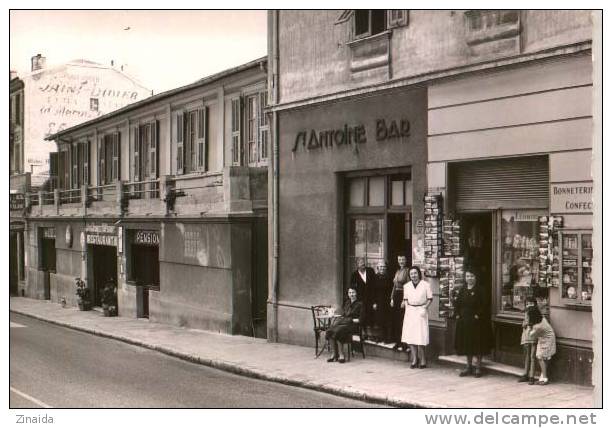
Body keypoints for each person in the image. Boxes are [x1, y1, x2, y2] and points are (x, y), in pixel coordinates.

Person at [454, 269, 493, 377]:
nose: (469, 278)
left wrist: (478, 315)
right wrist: (457, 314)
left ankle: (478, 367)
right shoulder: (463, 289)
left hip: (477, 322)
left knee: (477, 344)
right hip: (464, 321)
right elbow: (457, 303)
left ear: (476, 277)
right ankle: (468, 366)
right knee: (467, 344)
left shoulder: (481, 290)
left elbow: (485, 304)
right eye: (467, 276)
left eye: (471, 276)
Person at [401, 266, 433, 368]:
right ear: (409, 276)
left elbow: (430, 299)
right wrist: (407, 308)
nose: (413, 275)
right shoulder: (406, 286)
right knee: (411, 336)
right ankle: (415, 359)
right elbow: (405, 299)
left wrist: (425, 308)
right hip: (410, 311)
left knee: (421, 335)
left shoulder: (425, 285)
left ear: (419, 274)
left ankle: (423, 359)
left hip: (421, 311)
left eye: (415, 273)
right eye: (411, 274)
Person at [325, 286, 365, 363]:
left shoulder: (360, 304)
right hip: (344, 323)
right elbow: (344, 314)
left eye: (353, 292)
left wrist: (350, 320)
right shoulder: (347, 303)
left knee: (339, 331)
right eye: (350, 292)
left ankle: (341, 355)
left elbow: (361, 320)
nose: (351, 294)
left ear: (356, 293)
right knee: (330, 330)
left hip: (353, 325)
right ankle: (334, 354)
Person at [528, 306, 556, 385]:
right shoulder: (542, 319)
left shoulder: (537, 327)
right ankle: (542, 377)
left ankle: (545, 378)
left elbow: (531, 335)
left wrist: (529, 328)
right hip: (546, 339)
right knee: (544, 358)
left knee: (540, 357)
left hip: (547, 340)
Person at [350, 257, 375, 338]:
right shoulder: (354, 275)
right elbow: (352, 288)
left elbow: (375, 286)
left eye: (363, 262)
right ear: (357, 265)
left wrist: (375, 301)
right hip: (360, 300)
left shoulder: (370, 271)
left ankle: (372, 334)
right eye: (360, 263)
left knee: (371, 316)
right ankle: (364, 333)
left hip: (371, 298)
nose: (363, 264)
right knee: (362, 316)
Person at [389, 255, 409, 351]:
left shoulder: (408, 271)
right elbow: (394, 286)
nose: (401, 261)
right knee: (396, 320)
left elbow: (408, 287)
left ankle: (404, 343)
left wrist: (404, 300)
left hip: (402, 296)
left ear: (406, 260)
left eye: (403, 259)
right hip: (396, 295)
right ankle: (398, 342)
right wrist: (392, 298)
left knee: (402, 320)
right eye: (399, 260)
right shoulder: (397, 271)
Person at [372, 260, 393, 342]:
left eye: (384, 267)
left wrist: (392, 299)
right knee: (380, 319)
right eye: (380, 267)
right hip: (379, 301)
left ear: (386, 268)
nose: (382, 268)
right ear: (378, 268)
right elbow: (372, 291)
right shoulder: (375, 277)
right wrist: (374, 302)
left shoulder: (390, 277)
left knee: (388, 320)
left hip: (387, 301)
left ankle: (388, 338)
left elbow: (392, 289)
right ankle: (381, 337)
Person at [518, 297, 538, 383]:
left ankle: (531, 376)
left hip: (533, 336)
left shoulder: (536, 313)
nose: (528, 305)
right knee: (527, 356)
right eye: (527, 304)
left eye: (530, 303)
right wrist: (524, 324)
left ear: (534, 304)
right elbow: (524, 323)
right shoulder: (526, 312)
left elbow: (535, 323)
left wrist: (527, 324)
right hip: (526, 336)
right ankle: (525, 374)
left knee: (532, 356)